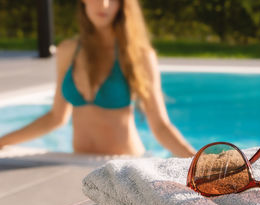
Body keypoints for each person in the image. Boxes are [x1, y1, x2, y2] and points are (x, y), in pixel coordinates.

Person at [0, 0, 196, 157]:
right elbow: (56, 117)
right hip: (80, 165)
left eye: (112, 0)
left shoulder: (139, 56)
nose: (103, 4)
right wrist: (2, 142)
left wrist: (195, 158)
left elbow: (160, 126)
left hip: (126, 165)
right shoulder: (69, 51)